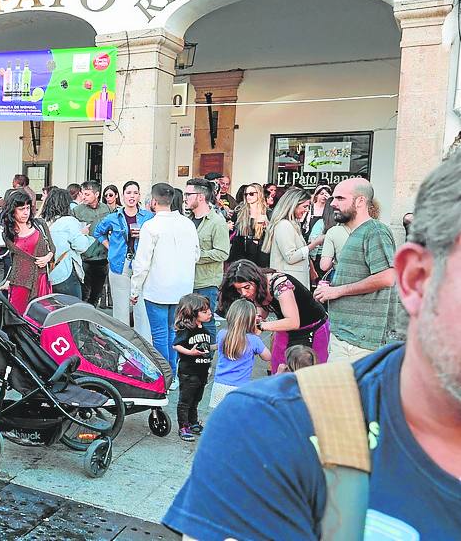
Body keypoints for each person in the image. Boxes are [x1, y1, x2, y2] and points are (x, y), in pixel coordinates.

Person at [165, 153, 461, 540]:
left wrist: (263, 328)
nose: (331, 204)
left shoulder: (283, 285)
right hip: (337, 338)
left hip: (314, 326)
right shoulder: (270, 428)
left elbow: (289, 323)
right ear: (417, 278)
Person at [314, 178, 398, 361]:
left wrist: (336, 291)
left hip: (359, 343)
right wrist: (329, 289)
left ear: (360, 201)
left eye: (340, 198)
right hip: (347, 337)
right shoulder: (356, 233)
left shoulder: (374, 230)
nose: (333, 203)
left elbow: (387, 277)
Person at [130, 184, 200, 379]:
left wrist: (134, 290)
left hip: (158, 288)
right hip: (182, 288)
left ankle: (165, 374)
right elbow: (196, 254)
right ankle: (173, 373)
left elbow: (141, 263)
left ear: (153, 201)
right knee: (174, 332)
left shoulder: (151, 226)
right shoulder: (187, 223)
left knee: (160, 334)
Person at [220, 258, 330, 373]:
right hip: (286, 328)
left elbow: (293, 322)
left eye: (246, 287)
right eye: (239, 289)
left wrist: (261, 325)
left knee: (308, 372)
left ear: (255, 279)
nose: (244, 293)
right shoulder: (257, 287)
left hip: (312, 327)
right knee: (279, 367)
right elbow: (262, 307)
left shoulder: (280, 284)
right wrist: (258, 316)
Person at [93, 181, 153, 339]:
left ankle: (144, 344)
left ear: (139, 195)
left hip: (141, 264)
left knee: (142, 308)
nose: (132, 196)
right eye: (128, 193)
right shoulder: (113, 217)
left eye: (135, 193)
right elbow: (98, 232)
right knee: (120, 308)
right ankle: (122, 343)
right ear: (123, 195)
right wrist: (110, 246)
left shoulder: (148, 217)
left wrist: (144, 235)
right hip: (120, 264)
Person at [185, 178, 229, 336]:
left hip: (207, 282)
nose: (185, 198)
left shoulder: (217, 221)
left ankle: (206, 359)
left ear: (200, 197)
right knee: (189, 323)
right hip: (188, 280)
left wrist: (196, 256)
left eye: (189, 194)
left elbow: (223, 252)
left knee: (206, 323)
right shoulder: (187, 220)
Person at [209, 299, 270, 408]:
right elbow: (267, 357)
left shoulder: (222, 334)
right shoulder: (254, 340)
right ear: (250, 320)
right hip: (240, 387)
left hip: (219, 385)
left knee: (221, 418)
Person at [0, 190, 54, 313]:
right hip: (20, 281)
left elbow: (52, 248)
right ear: (13, 210)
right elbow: (15, 260)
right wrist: (9, 280)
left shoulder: (40, 225)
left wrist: (47, 257)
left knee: (40, 318)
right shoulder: (8, 233)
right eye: (21, 209)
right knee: (17, 317)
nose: (25, 212)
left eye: (27, 208)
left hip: (40, 279)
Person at [171, 293, 214, 441]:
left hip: (201, 372)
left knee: (196, 399)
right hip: (189, 372)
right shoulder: (186, 330)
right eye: (204, 311)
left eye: (209, 310)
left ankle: (193, 422)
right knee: (185, 400)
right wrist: (190, 352)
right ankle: (183, 426)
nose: (210, 313)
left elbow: (206, 349)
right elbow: (176, 345)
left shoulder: (205, 330)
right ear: (192, 312)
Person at [264, 188, 325, 287]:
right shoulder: (284, 225)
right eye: (305, 206)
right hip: (289, 283)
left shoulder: (292, 224)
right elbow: (291, 257)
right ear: (293, 205)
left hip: (293, 281)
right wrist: (315, 244)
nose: (307, 210)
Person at [42, 187, 95, 299]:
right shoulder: (68, 221)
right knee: (72, 311)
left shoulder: (43, 222)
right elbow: (81, 246)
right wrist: (84, 234)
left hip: (47, 274)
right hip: (65, 273)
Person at [71, 181, 111, 306]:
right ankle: (83, 323)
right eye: (82, 194)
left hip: (102, 258)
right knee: (84, 295)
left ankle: (90, 320)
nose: (83, 197)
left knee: (96, 294)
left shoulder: (107, 209)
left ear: (97, 194)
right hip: (84, 258)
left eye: (87, 194)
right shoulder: (77, 211)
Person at [228, 183, 270, 267]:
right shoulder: (240, 211)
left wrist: (267, 226)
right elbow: (233, 231)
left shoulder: (267, 213)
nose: (248, 196)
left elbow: (271, 235)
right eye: (246, 194)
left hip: (260, 253)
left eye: (251, 194)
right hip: (241, 251)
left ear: (259, 194)